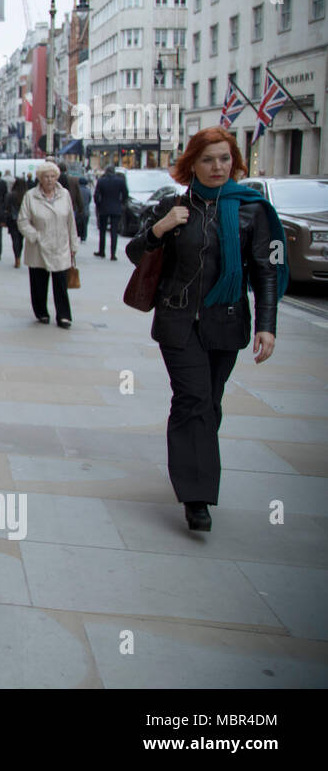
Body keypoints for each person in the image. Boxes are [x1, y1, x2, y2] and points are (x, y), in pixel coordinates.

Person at [126, 127, 285, 533]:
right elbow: (134, 252)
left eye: (225, 158)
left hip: (226, 321)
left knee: (210, 403)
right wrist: (161, 228)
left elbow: (267, 270)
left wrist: (267, 325)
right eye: (208, 159)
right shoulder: (173, 205)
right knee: (192, 399)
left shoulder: (252, 209)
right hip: (178, 322)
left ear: (235, 161)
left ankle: (192, 462)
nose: (218, 167)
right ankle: (196, 498)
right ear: (192, 163)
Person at [16, 161, 78, 328]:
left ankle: (64, 316)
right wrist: (34, 236)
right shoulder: (31, 196)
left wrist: (74, 245)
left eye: (52, 176)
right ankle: (41, 312)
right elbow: (22, 220)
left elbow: (71, 221)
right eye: (46, 177)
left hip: (60, 245)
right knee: (38, 284)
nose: (50, 180)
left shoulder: (64, 194)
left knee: (60, 284)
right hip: (39, 246)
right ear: (40, 179)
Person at [93, 164, 129, 259]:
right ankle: (113, 254)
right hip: (116, 207)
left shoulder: (101, 181)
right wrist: (121, 203)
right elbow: (125, 193)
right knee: (114, 232)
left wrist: (98, 204)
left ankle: (102, 251)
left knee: (103, 231)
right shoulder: (120, 181)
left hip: (104, 207)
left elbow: (96, 195)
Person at [58, 162, 87, 242]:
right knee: (70, 225)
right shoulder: (73, 180)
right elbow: (78, 195)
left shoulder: (56, 179)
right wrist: (81, 208)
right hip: (71, 206)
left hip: (58, 206)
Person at [5, 177, 27, 268]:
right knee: (21, 239)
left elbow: (6, 207)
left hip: (12, 220)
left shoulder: (11, 195)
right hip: (24, 220)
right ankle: (19, 256)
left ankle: (16, 258)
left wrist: (4, 220)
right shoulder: (26, 195)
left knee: (15, 239)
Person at [77, 175, 92, 242]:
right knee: (85, 224)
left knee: (78, 223)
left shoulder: (78, 190)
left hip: (78, 210)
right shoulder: (88, 190)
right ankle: (84, 236)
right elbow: (89, 199)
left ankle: (78, 234)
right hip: (86, 210)